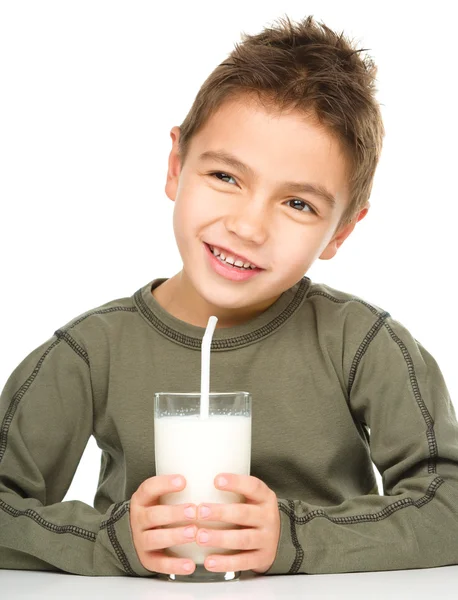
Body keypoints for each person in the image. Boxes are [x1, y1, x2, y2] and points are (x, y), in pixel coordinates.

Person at [1, 14, 457, 578]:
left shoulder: (362, 344)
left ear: (340, 232)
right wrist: (111, 542)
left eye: (298, 204)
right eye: (225, 176)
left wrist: (297, 538)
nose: (248, 226)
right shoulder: (90, 352)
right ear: (176, 166)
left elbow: (449, 503)